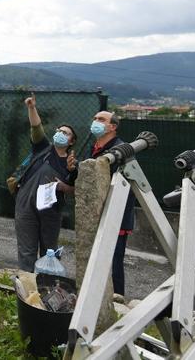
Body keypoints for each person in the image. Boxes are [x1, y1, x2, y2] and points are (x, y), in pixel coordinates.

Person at [9, 95, 77, 272]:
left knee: (49, 251)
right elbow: (36, 127)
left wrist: (64, 185)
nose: (60, 134)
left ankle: (47, 285)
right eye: (59, 131)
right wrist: (31, 108)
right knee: (26, 250)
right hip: (25, 204)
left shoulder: (72, 163)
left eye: (66, 133)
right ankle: (27, 286)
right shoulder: (42, 148)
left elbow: (77, 190)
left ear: (72, 141)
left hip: (51, 211)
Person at [87, 110, 135, 295]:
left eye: (101, 119)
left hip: (115, 214)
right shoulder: (94, 147)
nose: (95, 121)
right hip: (95, 213)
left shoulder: (121, 150)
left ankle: (116, 299)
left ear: (113, 126)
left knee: (113, 260)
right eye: (95, 118)